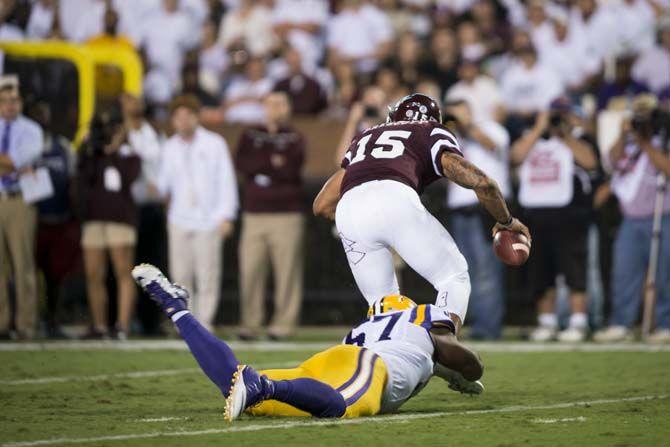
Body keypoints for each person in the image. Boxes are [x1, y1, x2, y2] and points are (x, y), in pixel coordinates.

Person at [132, 263, 484, 420]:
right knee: (339, 407)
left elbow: (431, 364)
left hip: (336, 360)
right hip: (371, 366)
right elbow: (458, 358)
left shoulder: (368, 328)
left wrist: (448, 374)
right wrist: (468, 372)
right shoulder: (421, 320)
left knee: (235, 386)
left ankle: (177, 309)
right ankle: (265, 386)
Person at [314, 93, 530, 334]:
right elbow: (483, 183)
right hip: (395, 196)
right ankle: (442, 343)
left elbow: (321, 204)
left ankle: (393, 361)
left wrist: (364, 220)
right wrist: (506, 221)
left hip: (350, 210)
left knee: (383, 306)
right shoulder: (428, 130)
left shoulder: (367, 136)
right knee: (453, 276)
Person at [510, 99, 600, 342]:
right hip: (535, 215)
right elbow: (516, 156)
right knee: (541, 272)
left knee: (574, 271)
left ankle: (578, 322)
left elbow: (591, 162)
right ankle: (547, 323)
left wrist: (565, 135)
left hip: (568, 215)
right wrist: (540, 128)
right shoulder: (531, 136)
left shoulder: (579, 138)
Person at [156, 94, 238, 330]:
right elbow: (163, 184)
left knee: (207, 276)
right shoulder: (169, 147)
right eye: (177, 117)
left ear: (196, 117)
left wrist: (226, 216)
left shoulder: (214, 144)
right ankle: (186, 324)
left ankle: (205, 324)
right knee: (181, 275)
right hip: (179, 220)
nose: (182, 121)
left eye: (187, 116)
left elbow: (226, 181)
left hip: (208, 220)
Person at [594, 95, 670, 343]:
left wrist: (646, 142)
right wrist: (622, 132)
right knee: (624, 272)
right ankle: (621, 323)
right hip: (630, 219)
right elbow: (613, 162)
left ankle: (665, 324)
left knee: (663, 274)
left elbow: (666, 168)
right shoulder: (628, 143)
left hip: (661, 217)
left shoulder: (664, 139)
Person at [235, 92, 306, 340]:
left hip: (286, 215)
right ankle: (250, 323)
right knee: (250, 270)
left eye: (280, 103)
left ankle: (283, 325)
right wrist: (271, 162)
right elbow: (244, 164)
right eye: (271, 103)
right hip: (254, 214)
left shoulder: (295, 137)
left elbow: (290, 168)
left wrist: (264, 165)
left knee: (287, 273)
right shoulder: (250, 134)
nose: (275, 108)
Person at [444, 100, 511, 340]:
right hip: (459, 209)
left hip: (485, 207)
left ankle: (489, 326)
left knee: (486, 269)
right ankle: (475, 322)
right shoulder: (450, 138)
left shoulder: (492, 128)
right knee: (464, 269)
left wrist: (468, 124)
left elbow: (493, 146)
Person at [77, 106, 141, 340]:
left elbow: (128, 177)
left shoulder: (129, 154)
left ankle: (122, 325)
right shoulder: (90, 153)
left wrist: (114, 149)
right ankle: (100, 325)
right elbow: (83, 176)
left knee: (123, 272)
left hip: (120, 219)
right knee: (93, 274)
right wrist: (92, 148)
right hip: (94, 219)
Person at [28, 101, 79, 339]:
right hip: (35, 220)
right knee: (29, 272)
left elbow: (72, 182)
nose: (42, 119)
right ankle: (31, 319)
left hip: (60, 220)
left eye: (44, 114)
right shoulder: (25, 147)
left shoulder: (64, 147)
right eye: (37, 114)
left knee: (56, 275)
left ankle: (53, 319)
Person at [0, 82, 43, 340]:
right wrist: (12, 166)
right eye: (4, 100)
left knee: (22, 262)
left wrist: (12, 165)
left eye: (13, 100)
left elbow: (16, 160)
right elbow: (13, 163)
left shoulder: (31, 129)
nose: (9, 105)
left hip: (20, 200)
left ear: (21, 103)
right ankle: (1, 324)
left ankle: (26, 324)